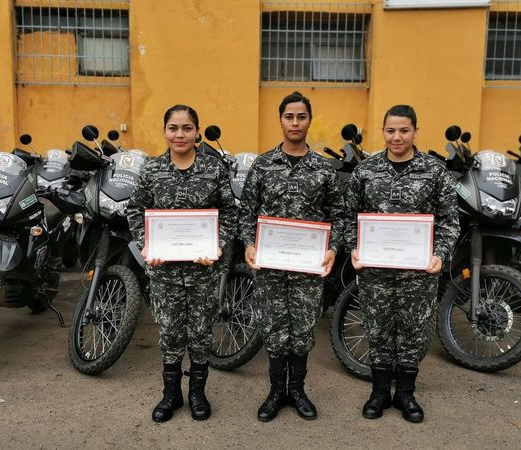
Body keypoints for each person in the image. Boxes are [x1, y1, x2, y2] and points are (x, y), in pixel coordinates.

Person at [344, 104, 459, 423]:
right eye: (391, 130)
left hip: (418, 273)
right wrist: (353, 247)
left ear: (416, 132)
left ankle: (406, 394)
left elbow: (450, 219)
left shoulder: (434, 171)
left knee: (413, 331)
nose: (397, 137)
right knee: (377, 329)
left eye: (404, 130)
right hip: (375, 272)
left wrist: (440, 252)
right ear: (383, 132)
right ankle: (379, 393)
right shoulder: (365, 170)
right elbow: (348, 215)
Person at [126, 104, 238, 423]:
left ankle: (198, 393)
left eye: (187, 128)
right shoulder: (151, 170)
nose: (180, 134)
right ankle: (171, 394)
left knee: (201, 332)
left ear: (197, 132)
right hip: (164, 271)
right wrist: (148, 244)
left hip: (202, 270)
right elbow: (135, 210)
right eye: (173, 128)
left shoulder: (214, 169)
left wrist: (217, 245)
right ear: (165, 131)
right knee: (170, 332)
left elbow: (229, 211)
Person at [239, 91, 345, 422]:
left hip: (307, 267)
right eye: (289, 117)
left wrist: (333, 248)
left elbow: (339, 215)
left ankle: (297, 391)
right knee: (273, 328)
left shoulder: (325, 169)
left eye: (301, 117)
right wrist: (248, 243)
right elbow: (247, 212)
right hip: (270, 265)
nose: (295, 123)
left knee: (302, 329)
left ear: (309, 120)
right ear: (281, 120)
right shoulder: (263, 164)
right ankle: (275, 392)